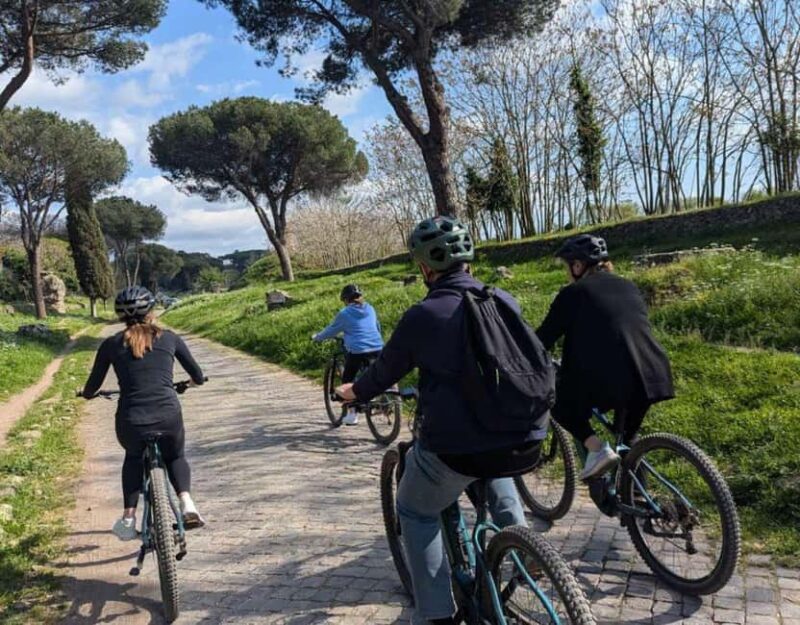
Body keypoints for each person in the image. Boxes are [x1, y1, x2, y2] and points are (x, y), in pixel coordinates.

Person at [336, 217, 546, 625]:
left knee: (415, 509)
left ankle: (435, 614)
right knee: (495, 466)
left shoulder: (424, 314)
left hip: (456, 448)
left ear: (424, 267)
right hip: (523, 436)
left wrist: (353, 392)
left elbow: (384, 373)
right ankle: (522, 549)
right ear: (469, 261)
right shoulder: (503, 299)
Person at [536, 234, 675, 480]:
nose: (567, 273)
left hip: (612, 377)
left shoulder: (573, 293)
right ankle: (635, 498)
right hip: (653, 372)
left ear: (577, 266)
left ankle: (596, 448)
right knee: (628, 442)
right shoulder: (628, 286)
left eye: (567, 267)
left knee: (555, 399)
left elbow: (541, 341)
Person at [81, 286, 207, 541]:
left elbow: (92, 386)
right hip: (168, 416)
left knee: (133, 457)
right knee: (175, 456)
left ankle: (128, 519)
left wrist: (86, 394)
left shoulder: (111, 344)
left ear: (120, 316)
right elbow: (197, 375)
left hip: (132, 420)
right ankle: (187, 504)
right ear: (152, 311)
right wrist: (191, 383)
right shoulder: (170, 338)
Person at [312, 284, 384, 425]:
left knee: (348, 380)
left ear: (345, 299)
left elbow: (331, 330)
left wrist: (317, 337)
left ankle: (352, 414)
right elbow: (377, 327)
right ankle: (383, 399)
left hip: (358, 351)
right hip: (378, 347)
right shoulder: (370, 308)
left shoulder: (344, 313)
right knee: (378, 374)